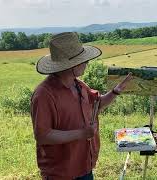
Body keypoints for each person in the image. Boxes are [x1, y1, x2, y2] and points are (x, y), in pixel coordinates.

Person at [30, 32, 132, 180]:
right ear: (72, 65)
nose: (87, 63)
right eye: (83, 60)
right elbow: (43, 135)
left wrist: (115, 91)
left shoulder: (78, 85)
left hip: (84, 167)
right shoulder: (44, 95)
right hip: (61, 174)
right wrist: (82, 133)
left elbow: (97, 106)